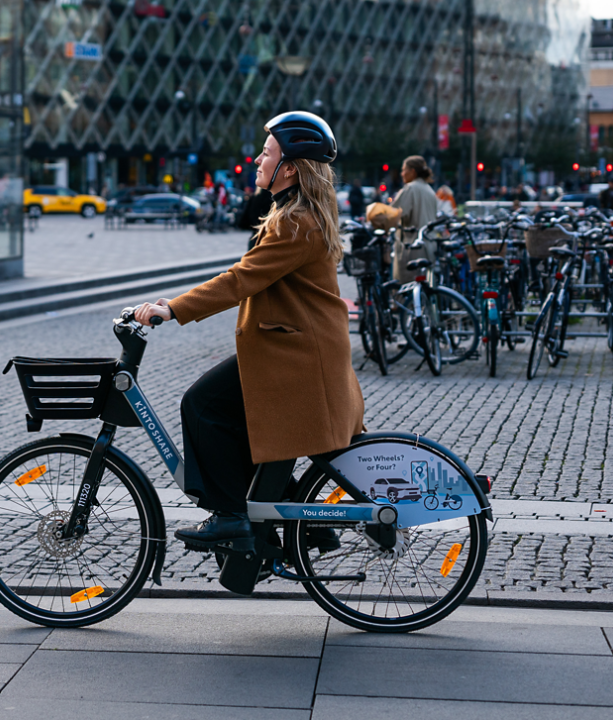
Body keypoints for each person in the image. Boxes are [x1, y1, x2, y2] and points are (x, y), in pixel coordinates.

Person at [132, 112, 365, 548]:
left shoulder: (297, 222)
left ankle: (232, 516)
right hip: (290, 351)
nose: (258, 159)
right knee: (229, 418)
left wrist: (172, 308)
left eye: (267, 153)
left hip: (297, 359)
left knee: (202, 405)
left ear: (290, 167)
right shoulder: (293, 212)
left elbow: (242, 278)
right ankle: (298, 525)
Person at [389, 155, 438, 283]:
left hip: (412, 247)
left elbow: (394, 214)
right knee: (425, 287)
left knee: (406, 288)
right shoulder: (430, 190)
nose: (401, 174)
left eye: (404, 170)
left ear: (413, 172)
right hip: (429, 246)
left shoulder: (410, 188)